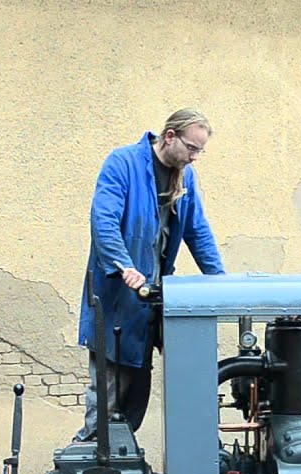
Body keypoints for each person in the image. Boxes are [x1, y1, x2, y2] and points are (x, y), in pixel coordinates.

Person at [72, 108, 226, 443]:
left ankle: (125, 462)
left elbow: (198, 232)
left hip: (151, 303)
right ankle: (87, 459)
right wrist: (123, 265)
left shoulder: (185, 176)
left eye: (201, 151)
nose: (195, 157)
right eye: (191, 148)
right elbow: (104, 221)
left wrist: (222, 283)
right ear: (169, 136)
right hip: (116, 301)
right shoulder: (122, 164)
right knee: (109, 393)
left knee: (139, 395)